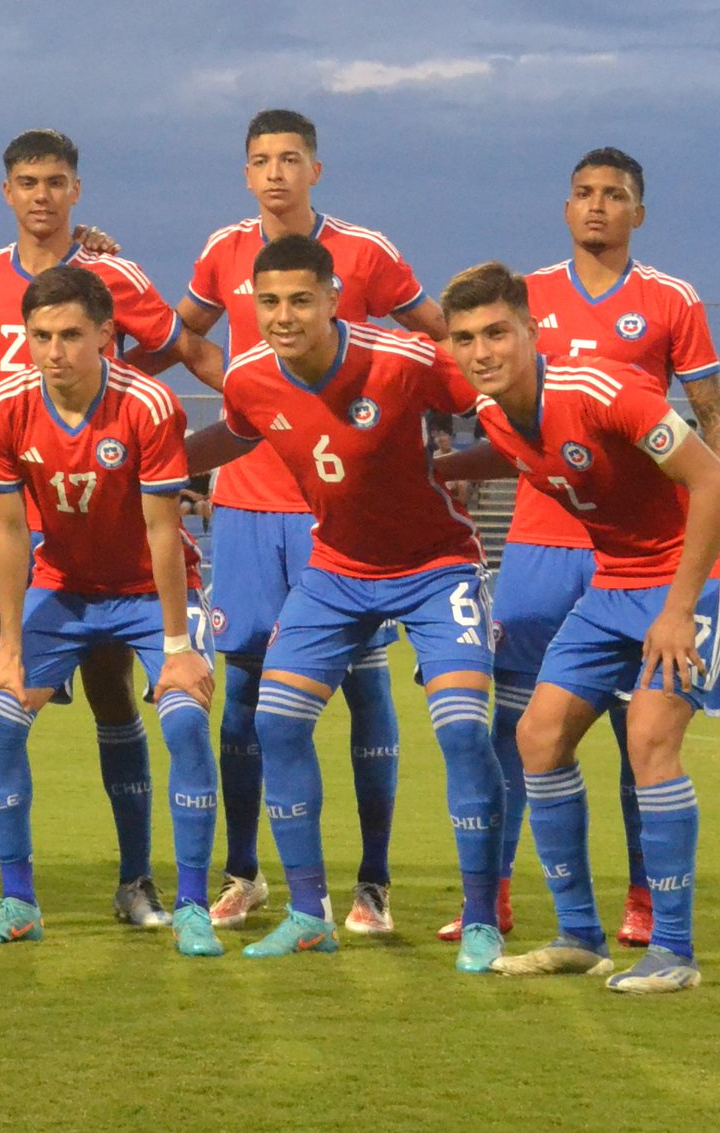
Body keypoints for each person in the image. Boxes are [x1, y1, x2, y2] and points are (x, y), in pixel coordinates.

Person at [0, 127, 225, 925]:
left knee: (117, 690)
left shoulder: (111, 276)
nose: (41, 194)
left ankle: (141, 879)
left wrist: (118, 408)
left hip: (102, 524)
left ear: (75, 190)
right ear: (6, 192)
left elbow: (175, 345)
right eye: (26, 181)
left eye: (55, 180)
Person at [185, 234, 507, 973]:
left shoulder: (403, 359)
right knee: (275, 720)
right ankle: (309, 912)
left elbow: (496, 402)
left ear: (333, 298)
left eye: (301, 299)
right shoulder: (250, 377)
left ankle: (483, 917)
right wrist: (155, 463)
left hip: (435, 568)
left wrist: (464, 462)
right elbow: (235, 435)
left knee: (461, 731)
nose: (284, 315)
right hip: (335, 570)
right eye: (268, 301)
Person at [456, 147, 720, 950]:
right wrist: (433, 471)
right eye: (582, 192)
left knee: (642, 735)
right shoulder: (524, 302)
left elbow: (709, 419)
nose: (596, 206)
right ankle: (507, 902)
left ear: (636, 213)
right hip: (560, 535)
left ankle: (656, 920)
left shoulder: (665, 303)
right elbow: (513, 431)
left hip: (661, 535)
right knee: (527, 724)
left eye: (614, 195)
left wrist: (717, 541)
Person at [170, 109, 443, 933]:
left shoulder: (366, 251)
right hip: (251, 501)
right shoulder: (223, 250)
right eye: (261, 160)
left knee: (364, 685)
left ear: (315, 169)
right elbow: (186, 335)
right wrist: (254, 395)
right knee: (246, 689)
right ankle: (246, 872)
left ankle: (373, 884)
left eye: (291, 158)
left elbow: (435, 337)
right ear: (246, 173)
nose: (277, 173)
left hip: (342, 509)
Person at [0, 266, 223, 957]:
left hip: (147, 590)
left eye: (71, 334)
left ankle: (187, 901)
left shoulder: (147, 402)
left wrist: (176, 646)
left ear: (106, 335)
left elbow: (164, 530)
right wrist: (9, 645)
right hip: (66, 585)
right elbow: (12, 533)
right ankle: (18, 901)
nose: (54, 350)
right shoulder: (0, 407)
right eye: (41, 334)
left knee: (187, 717)